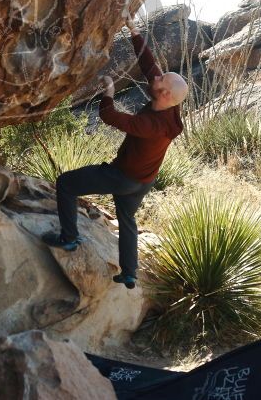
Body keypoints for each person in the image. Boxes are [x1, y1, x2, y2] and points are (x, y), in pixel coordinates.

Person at [42, 17, 188, 289]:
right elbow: (149, 66)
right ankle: (129, 273)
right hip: (144, 182)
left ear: (165, 94)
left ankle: (69, 239)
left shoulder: (152, 125)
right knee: (127, 219)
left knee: (66, 184)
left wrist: (108, 92)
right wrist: (134, 32)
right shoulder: (167, 104)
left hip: (123, 177)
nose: (156, 77)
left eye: (161, 80)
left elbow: (109, 116)